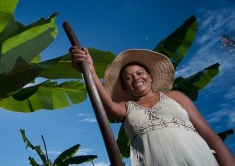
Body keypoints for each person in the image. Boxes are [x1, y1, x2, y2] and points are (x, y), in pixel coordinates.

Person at [69, 46, 235, 166]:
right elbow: (108, 107)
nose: (135, 78)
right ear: (125, 87)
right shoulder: (126, 107)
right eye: (128, 78)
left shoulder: (175, 96)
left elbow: (209, 135)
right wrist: (88, 71)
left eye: (139, 73)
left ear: (150, 76)